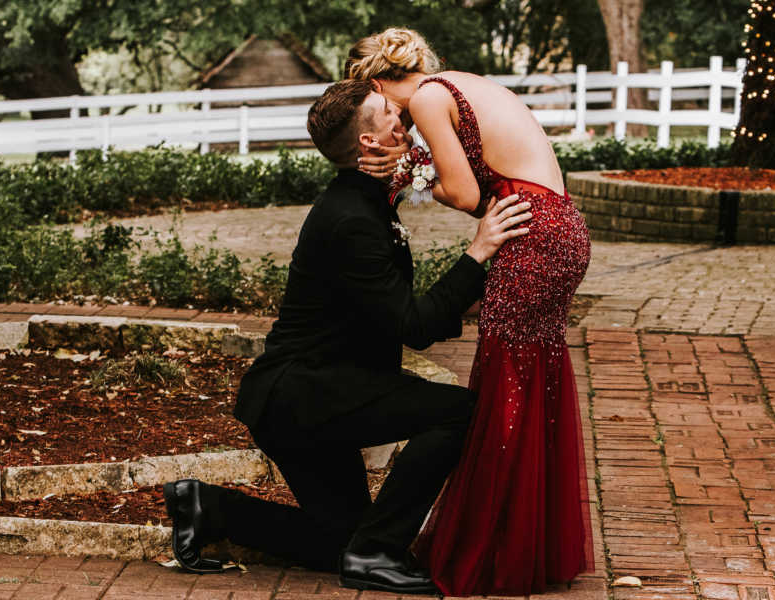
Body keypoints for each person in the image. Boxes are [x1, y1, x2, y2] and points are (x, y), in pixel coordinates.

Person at [162, 78, 535, 595]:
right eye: (390, 112)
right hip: (305, 396)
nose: (403, 116)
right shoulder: (352, 219)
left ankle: (205, 507)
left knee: (341, 540)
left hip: (312, 391)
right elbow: (415, 328)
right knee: (458, 411)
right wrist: (478, 252)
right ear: (369, 141)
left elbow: (397, 310)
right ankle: (379, 552)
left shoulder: (363, 201)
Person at [346, 28, 594, 595]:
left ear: (381, 83)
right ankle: (525, 542)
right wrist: (415, 164)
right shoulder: (458, 83)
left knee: (504, 386)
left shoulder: (430, 98)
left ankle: (495, 548)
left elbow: (459, 192)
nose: (390, 118)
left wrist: (426, 185)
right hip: (560, 230)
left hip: (530, 240)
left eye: (378, 105)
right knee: (532, 384)